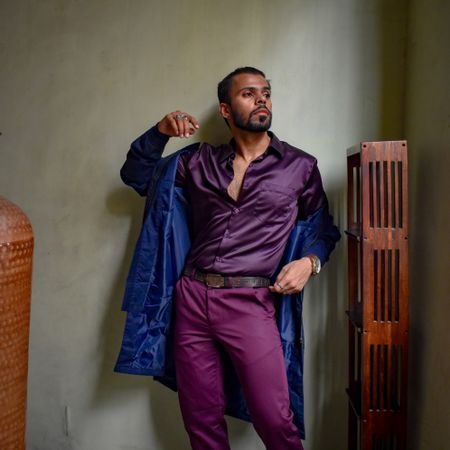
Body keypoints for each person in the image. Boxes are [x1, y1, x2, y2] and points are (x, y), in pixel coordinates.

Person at [115, 67, 340, 450]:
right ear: (225, 108)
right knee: (201, 421)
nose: (261, 99)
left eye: (266, 92)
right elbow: (136, 176)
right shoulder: (196, 162)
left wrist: (309, 263)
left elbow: (322, 229)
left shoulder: (299, 167)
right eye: (248, 94)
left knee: (275, 419)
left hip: (251, 302)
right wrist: (160, 133)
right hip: (192, 298)